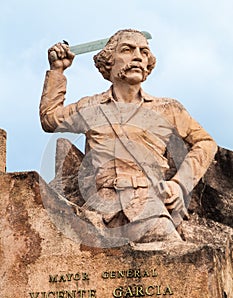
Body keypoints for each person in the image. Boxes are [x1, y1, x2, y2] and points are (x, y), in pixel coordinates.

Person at [40, 29, 217, 244]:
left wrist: (180, 184)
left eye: (143, 52)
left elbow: (206, 143)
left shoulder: (168, 109)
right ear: (109, 61)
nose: (137, 57)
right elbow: (49, 119)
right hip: (100, 209)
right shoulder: (90, 107)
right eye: (127, 50)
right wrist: (57, 70)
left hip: (148, 204)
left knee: (173, 254)